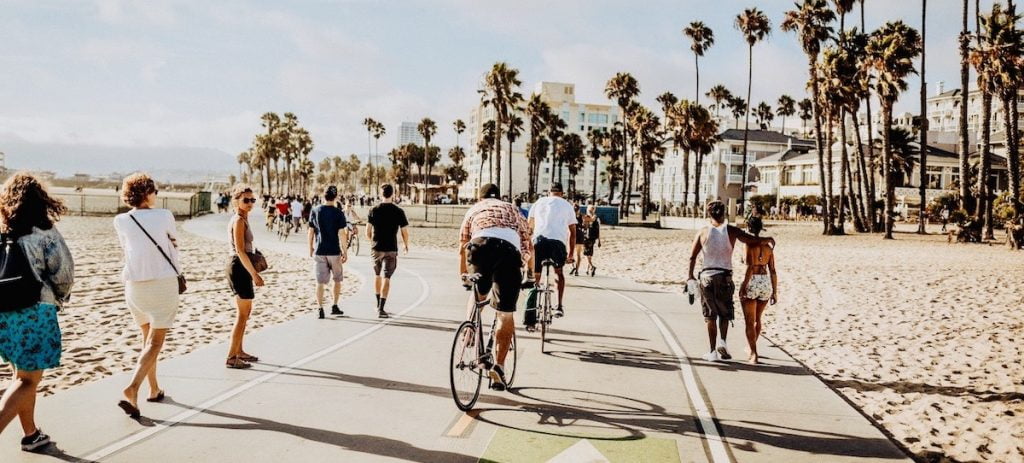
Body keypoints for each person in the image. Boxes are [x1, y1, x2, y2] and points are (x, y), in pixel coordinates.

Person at [0, 173, 74, 452]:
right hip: (35, 310)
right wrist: (59, 296)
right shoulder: (44, 231)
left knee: (20, 377)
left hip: (3, 312)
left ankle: (31, 435)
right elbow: (63, 273)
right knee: (29, 380)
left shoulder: (2, 230)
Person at [113, 173, 181, 419]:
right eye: (154, 190)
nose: (156, 195)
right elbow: (174, 244)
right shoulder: (164, 215)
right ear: (146, 193)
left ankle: (153, 389)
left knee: (147, 341)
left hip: (134, 285)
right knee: (155, 343)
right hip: (161, 283)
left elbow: (127, 249)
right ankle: (132, 389)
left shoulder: (121, 220)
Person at [458, 184, 532, 391]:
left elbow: (462, 244)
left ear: (480, 199)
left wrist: (464, 276)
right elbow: (527, 245)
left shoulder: (474, 209)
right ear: (499, 197)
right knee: (505, 314)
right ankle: (498, 368)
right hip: (509, 251)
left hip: (480, 246)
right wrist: (528, 273)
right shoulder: (514, 210)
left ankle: (469, 330)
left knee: (478, 293)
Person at [687, 201, 774, 363]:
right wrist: (766, 239)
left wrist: (690, 276)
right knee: (725, 313)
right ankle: (723, 342)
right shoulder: (732, 231)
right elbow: (751, 240)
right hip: (725, 277)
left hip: (707, 277)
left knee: (710, 316)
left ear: (709, 215)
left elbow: (692, 257)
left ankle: (712, 351)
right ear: (724, 214)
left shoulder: (702, 232)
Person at [525, 182, 576, 326]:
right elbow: (572, 232)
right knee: (558, 273)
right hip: (557, 244)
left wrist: (528, 248)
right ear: (562, 193)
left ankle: (530, 314)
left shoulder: (539, 202)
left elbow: (529, 228)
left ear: (549, 192)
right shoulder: (567, 205)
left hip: (539, 242)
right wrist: (571, 254)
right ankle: (559, 306)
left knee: (535, 277)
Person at [226, 185, 265, 369]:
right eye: (245, 200)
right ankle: (231, 357)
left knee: (245, 313)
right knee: (242, 315)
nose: (250, 203)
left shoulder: (243, 218)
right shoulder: (239, 221)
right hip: (239, 267)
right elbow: (240, 251)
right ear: (236, 201)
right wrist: (254, 274)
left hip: (242, 266)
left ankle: (239, 351)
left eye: (252, 200)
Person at [738, 216, 777, 364]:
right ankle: (751, 347)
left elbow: (749, 267)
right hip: (765, 282)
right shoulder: (768, 247)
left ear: (748, 227)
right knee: (758, 319)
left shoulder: (748, 245)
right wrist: (775, 291)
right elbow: (773, 270)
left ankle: (753, 353)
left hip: (752, 280)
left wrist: (743, 287)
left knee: (749, 321)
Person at [367, 184, 409, 318]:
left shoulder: (373, 210)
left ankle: (377, 304)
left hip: (376, 247)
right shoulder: (398, 211)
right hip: (391, 248)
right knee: (387, 276)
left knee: (377, 275)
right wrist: (405, 244)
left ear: (381, 194)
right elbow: (404, 232)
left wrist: (372, 241)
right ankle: (381, 308)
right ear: (393, 194)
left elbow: (367, 231)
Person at [308, 186, 348, 319]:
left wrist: (310, 247)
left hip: (320, 250)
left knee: (320, 282)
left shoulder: (315, 210)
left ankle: (320, 309)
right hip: (334, 251)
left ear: (323, 196)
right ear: (335, 197)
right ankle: (334, 306)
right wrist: (345, 250)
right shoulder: (338, 213)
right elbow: (342, 233)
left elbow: (311, 231)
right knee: (337, 279)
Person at [582, 205, 601, 276]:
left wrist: (599, 240)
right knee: (589, 253)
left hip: (588, 238)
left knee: (586, 253)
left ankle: (592, 266)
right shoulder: (595, 218)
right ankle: (588, 269)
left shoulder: (589, 218)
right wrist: (599, 240)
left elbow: (598, 229)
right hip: (592, 238)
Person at [569, 206, 585, 276]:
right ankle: (576, 270)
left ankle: (574, 267)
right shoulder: (581, 216)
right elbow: (585, 225)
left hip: (573, 235)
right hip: (579, 235)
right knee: (578, 254)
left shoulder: (571, 216)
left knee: (571, 252)